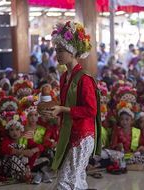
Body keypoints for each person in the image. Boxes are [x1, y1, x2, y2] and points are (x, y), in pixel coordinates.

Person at [46, 21, 101, 190]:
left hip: (83, 135)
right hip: (69, 132)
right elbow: (65, 105)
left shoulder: (84, 78)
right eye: (56, 50)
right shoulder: (64, 77)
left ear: (72, 51)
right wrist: (55, 111)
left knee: (65, 181)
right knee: (76, 179)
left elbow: (92, 110)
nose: (57, 54)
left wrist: (63, 109)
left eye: (61, 50)